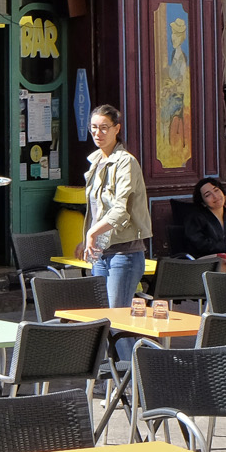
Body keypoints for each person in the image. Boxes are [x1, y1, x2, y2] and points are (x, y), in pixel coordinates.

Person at [80, 104, 150, 308]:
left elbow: (121, 209)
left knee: (117, 317)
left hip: (124, 253)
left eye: (104, 128)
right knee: (102, 316)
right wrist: (87, 239)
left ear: (116, 129)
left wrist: (92, 233)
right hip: (100, 252)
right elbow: (96, 209)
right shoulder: (95, 161)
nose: (97, 133)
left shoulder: (126, 162)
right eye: (93, 127)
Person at [171, 176, 226, 258]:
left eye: (216, 190)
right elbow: (199, 244)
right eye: (208, 195)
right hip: (204, 260)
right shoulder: (195, 218)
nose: (215, 196)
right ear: (203, 203)